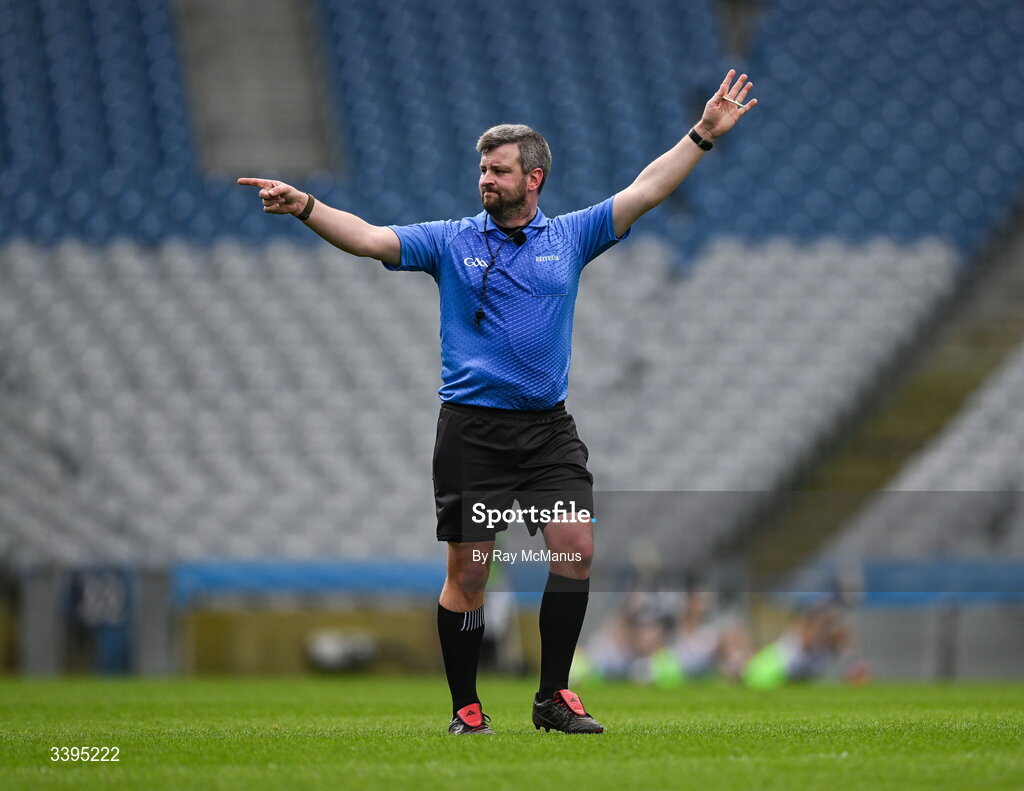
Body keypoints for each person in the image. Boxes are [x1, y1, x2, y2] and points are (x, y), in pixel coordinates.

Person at [239, 69, 757, 735]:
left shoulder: (569, 236)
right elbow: (370, 238)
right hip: (473, 432)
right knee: (470, 576)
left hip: (548, 432)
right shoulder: (450, 240)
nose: (486, 179)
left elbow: (645, 190)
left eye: (500, 170)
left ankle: (552, 697)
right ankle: (466, 706)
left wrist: (702, 136)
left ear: (533, 178)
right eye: (483, 168)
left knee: (576, 546)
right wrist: (308, 206)